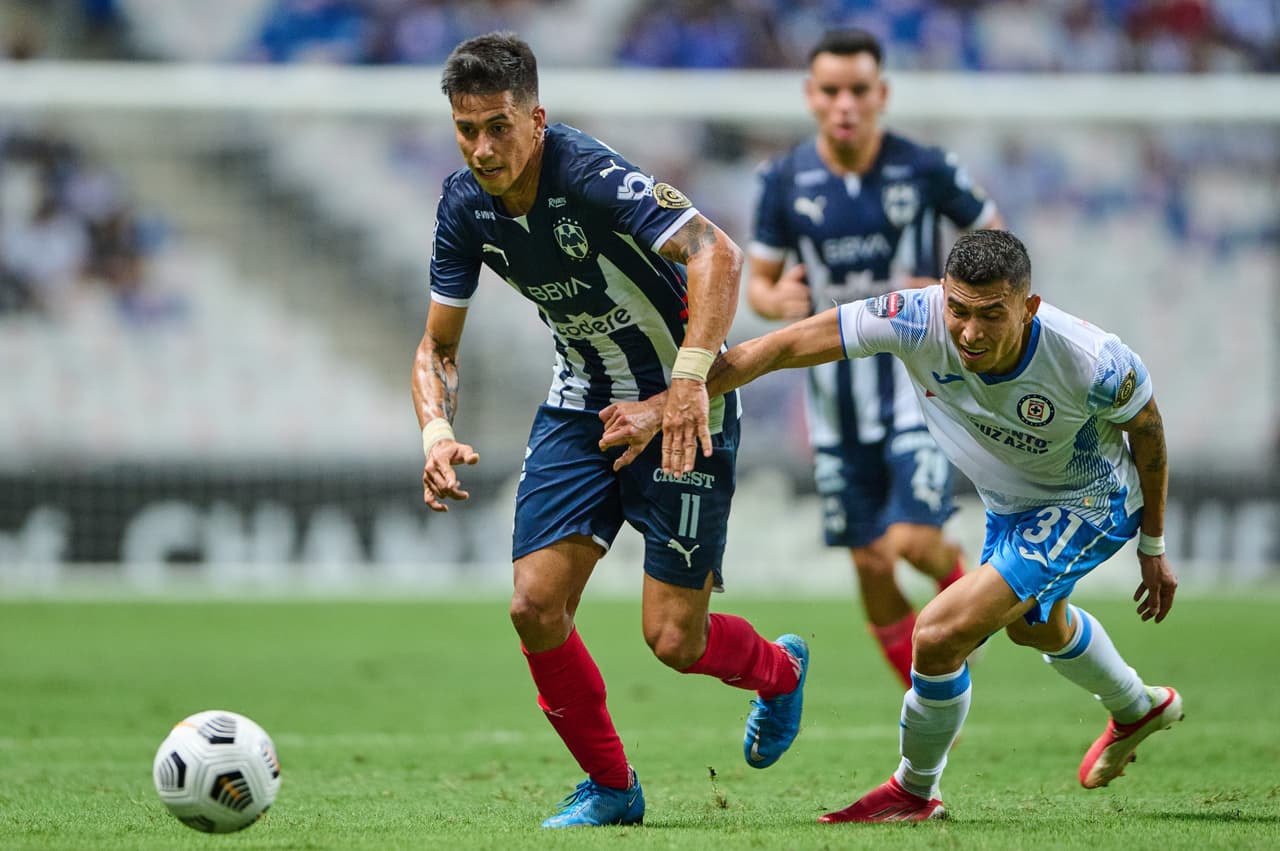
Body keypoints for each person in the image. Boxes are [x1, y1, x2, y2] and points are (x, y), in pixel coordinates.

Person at [601, 229, 1182, 822]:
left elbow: (1151, 434)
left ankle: (914, 790)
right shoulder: (914, 319)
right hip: (1012, 505)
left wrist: (1152, 545)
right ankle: (1138, 706)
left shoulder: (1091, 360)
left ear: (1028, 307)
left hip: (1090, 500)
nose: (970, 333)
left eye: (991, 315)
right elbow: (779, 347)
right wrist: (663, 405)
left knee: (935, 636)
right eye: (958, 310)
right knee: (1034, 628)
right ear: (942, 296)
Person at [411, 31, 809, 829]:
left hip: (682, 401)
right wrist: (434, 430)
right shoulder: (463, 206)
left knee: (673, 639)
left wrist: (690, 381)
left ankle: (780, 672)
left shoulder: (589, 175)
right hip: (581, 403)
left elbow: (716, 252)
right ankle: (613, 787)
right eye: (466, 130)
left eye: (499, 126)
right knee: (533, 604)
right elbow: (437, 346)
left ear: (537, 117)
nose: (483, 148)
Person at [746, 28, 1005, 688]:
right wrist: (780, 302)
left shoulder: (925, 168)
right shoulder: (783, 180)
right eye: (831, 91)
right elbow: (761, 283)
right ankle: (929, 693)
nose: (845, 104)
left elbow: (995, 241)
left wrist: (950, 286)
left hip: (916, 385)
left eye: (859, 90)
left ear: (881, 93)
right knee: (868, 561)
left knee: (912, 541)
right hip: (833, 397)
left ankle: (971, 609)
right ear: (810, 96)